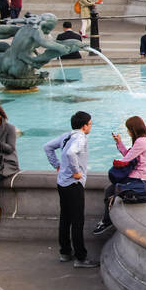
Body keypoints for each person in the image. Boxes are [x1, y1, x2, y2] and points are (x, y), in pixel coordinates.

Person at [44, 111, 97, 268]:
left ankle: (65, 252)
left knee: (65, 218)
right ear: (84, 125)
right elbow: (70, 152)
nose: (90, 127)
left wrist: (57, 166)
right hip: (74, 185)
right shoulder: (80, 137)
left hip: (62, 183)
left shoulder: (67, 136)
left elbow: (47, 147)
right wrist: (76, 171)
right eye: (90, 124)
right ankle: (81, 257)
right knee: (77, 221)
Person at [95, 116, 146, 235]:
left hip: (139, 177)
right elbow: (129, 155)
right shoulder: (144, 140)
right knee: (110, 189)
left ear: (134, 129)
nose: (127, 132)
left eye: (128, 129)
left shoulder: (140, 142)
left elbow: (126, 159)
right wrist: (119, 143)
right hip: (140, 176)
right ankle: (106, 220)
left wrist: (116, 164)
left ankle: (106, 221)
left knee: (110, 190)